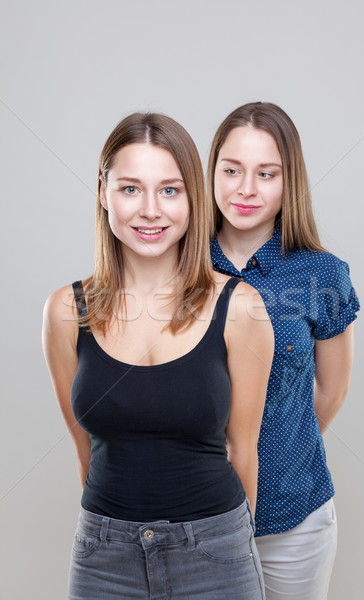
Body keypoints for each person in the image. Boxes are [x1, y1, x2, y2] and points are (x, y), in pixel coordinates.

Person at [42, 112, 274, 600]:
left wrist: (232, 548)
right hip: (103, 560)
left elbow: (245, 450)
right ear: (103, 194)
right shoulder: (66, 310)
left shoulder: (242, 307)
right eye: (130, 189)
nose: (150, 210)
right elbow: (85, 448)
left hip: (216, 555)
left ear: (192, 199)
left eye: (169, 190)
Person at [207, 102, 360, 600]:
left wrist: (282, 451)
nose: (246, 189)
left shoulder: (323, 275)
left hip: (295, 521)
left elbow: (331, 393)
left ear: (287, 181)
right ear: (211, 173)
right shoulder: (176, 267)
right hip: (195, 520)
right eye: (231, 170)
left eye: (266, 174)